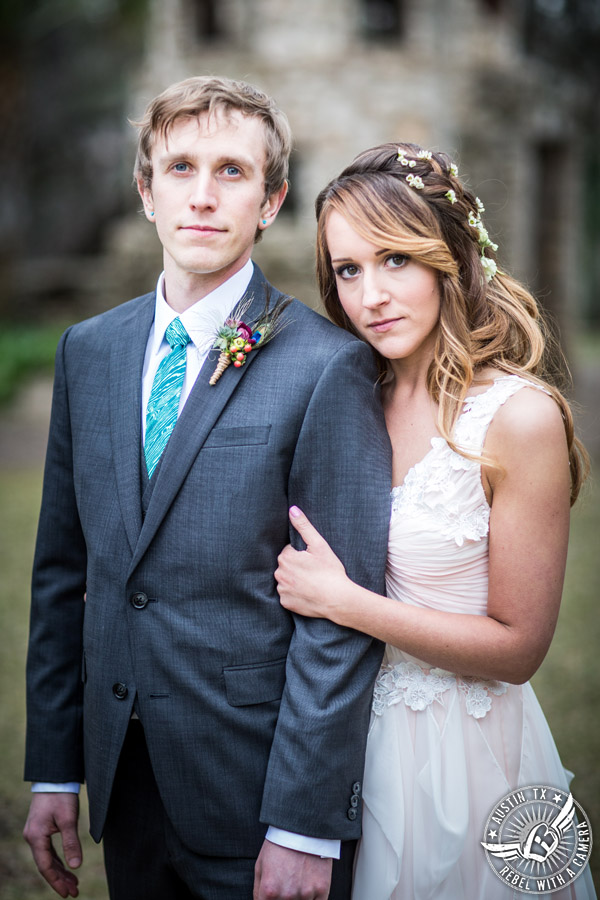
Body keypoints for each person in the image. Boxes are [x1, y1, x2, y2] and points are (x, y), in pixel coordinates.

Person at [22, 77, 393, 900]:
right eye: (180, 168)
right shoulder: (89, 351)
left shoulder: (327, 366)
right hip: (124, 781)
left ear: (272, 201)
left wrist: (302, 822)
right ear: (146, 191)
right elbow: (63, 576)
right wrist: (55, 770)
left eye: (232, 172)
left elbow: (343, 615)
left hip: (255, 791)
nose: (202, 195)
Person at [275, 143, 596, 899]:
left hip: (469, 754)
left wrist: (347, 603)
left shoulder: (519, 419)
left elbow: (519, 649)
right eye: (348, 270)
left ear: (450, 258)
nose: (370, 296)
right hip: (347, 748)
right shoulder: (343, 398)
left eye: (395, 261)